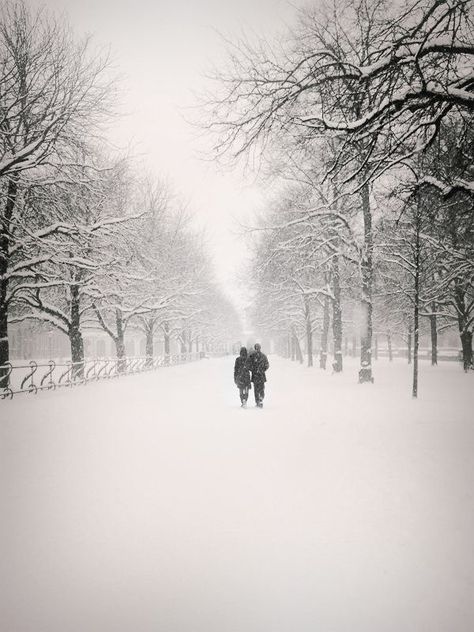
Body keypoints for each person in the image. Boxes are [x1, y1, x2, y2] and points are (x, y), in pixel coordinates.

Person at [248, 343, 269, 408]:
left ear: (255, 348)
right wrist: (262, 370)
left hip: (255, 375)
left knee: (256, 389)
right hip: (261, 375)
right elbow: (267, 365)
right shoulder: (264, 356)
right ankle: (261, 398)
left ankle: (257, 402)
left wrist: (253, 370)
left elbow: (249, 365)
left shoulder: (252, 356)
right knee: (262, 388)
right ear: (260, 348)